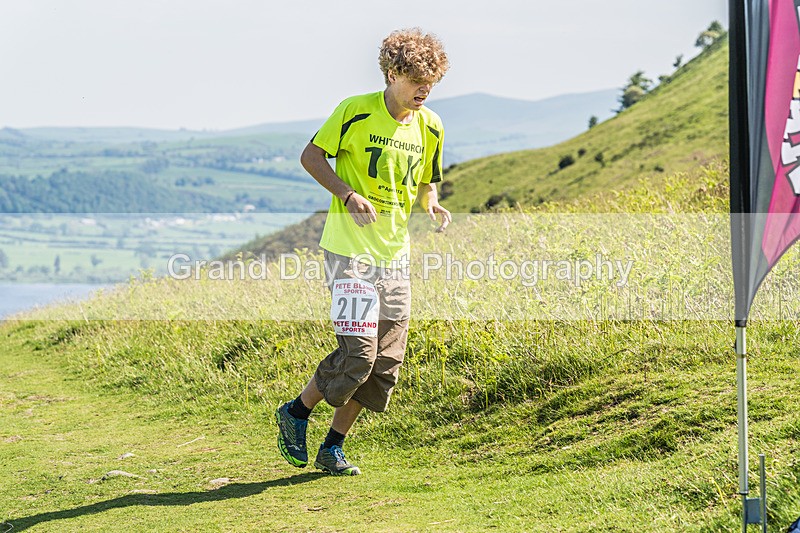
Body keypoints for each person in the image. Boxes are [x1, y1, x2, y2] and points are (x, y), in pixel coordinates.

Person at [275, 28, 451, 476]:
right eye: (415, 81)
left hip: (395, 257)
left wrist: (431, 201)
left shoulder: (431, 125)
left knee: (386, 363)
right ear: (392, 74)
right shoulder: (355, 110)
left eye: (431, 82)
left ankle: (332, 447)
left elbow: (428, 175)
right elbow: (311, 156)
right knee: (360, 354)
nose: (424, 91)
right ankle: (296, 412)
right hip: (349, 251)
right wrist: (348, 195)